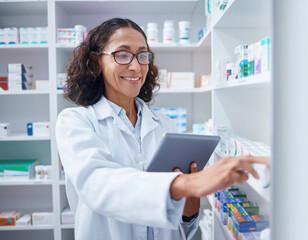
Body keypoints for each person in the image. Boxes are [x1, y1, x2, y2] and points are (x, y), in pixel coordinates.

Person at [55, 18, 270, 240]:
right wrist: (189, 182)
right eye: (122, 54)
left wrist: (190, 202)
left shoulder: (165, 124)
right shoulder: (75, 122)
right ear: (95, 61)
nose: (136, 66)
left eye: (142, 55)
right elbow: (97, 184)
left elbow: (181, 220)